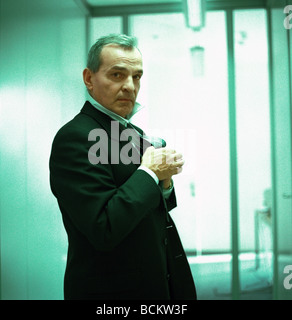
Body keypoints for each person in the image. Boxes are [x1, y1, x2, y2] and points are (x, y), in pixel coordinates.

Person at [49, 34, 197, 300]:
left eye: (136, 76)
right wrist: (150, 172)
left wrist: (163, 182)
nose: (130, 86)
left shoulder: (131, 132)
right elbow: (104, 226)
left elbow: (152, 211)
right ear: (89, 79)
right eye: (117, 75)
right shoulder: (75, 136)